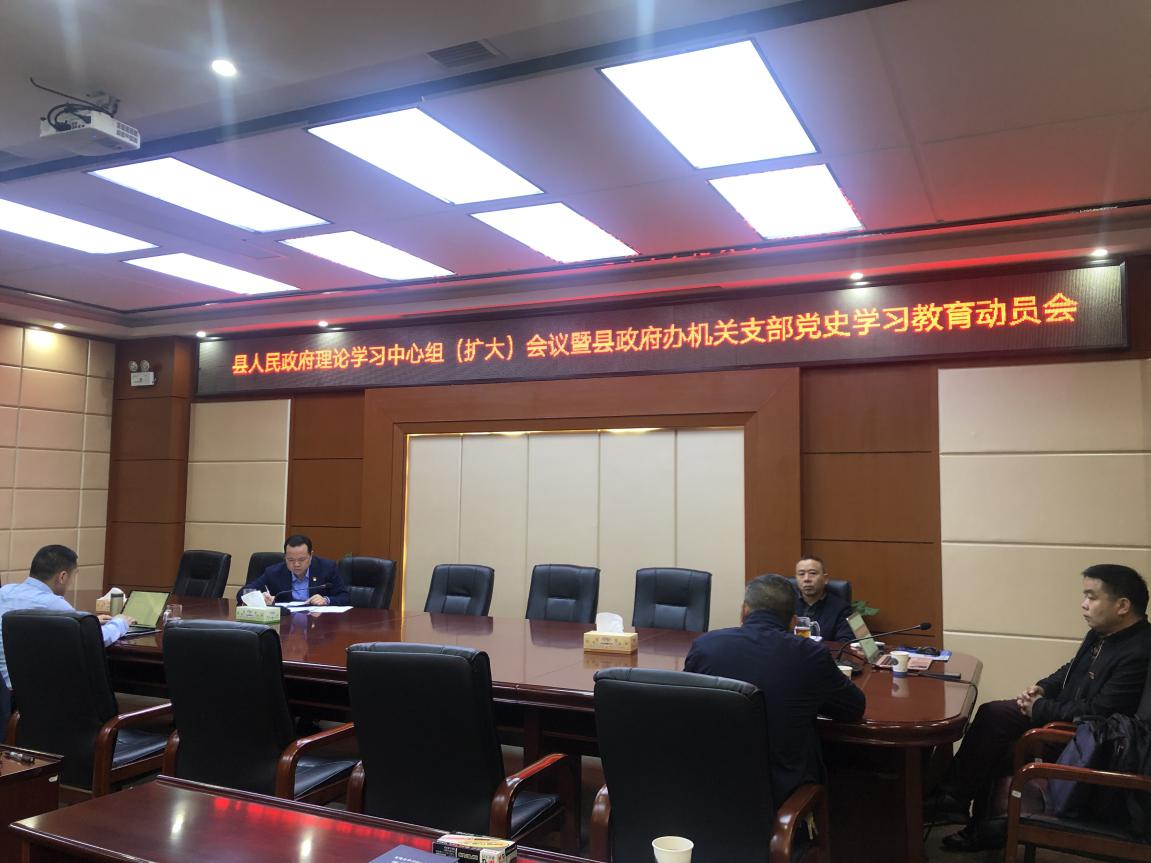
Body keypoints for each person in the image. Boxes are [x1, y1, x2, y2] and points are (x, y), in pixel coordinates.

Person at [927, 564, 1151, 851]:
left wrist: (1041, 708)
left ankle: (975, 823)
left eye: (1092, 597)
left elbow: (1100, 712)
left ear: (1122, 606)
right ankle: (953, 799)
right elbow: (1069, 670)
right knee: (992, 713)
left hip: (1088, 744)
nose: (1083, 604)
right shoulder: (1103, 633)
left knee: (1002, 750)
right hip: (1064, 722)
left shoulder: (1138, 651)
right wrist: (1041, 688)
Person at [684, 573, 866, 807]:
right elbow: (853, 708)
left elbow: (688, 711)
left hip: (708, 790)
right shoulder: (810, 655)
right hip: (783, 797)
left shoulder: (705, 646)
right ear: (793, 621)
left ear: (743, 611)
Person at [0, 544, 134, 731]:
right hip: (29, 697)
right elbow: (94, 640)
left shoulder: (5, 592)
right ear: (62, 576)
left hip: (6, 690)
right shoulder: (53, 604)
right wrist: (120, 623)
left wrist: (88, 621)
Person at [239, 535, 348, 606]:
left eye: (301, 559)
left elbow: (345, 597)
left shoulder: (327, 568)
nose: (296, 564)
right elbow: (243, 593)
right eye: (290, 560)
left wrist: (326, 600)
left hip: (318, 624)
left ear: (311, 555)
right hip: (286, 623)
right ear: (285, 557)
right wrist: (258, 598)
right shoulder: (274, 572)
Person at [793, 555, 855, 643]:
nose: (806, 579)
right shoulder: (786, 606)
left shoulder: (844, 609)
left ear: (825, 579)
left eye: (813, 573)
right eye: (801, 574)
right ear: (796, 578)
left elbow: (846, 644)